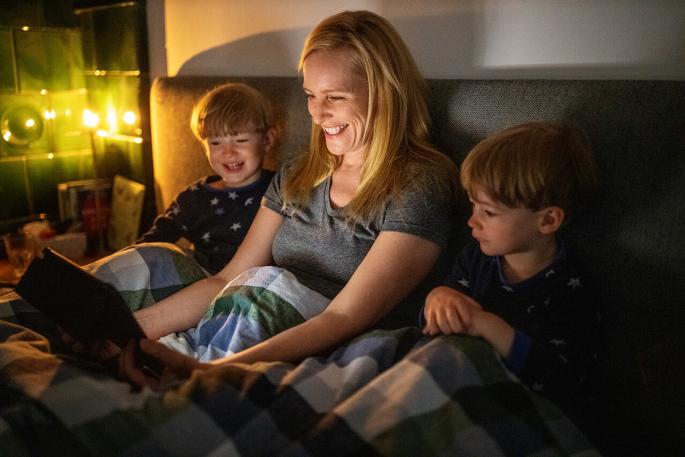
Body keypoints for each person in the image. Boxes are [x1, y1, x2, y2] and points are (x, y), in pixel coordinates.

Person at [119, 10, 459, 387]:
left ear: (386, 92)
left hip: (323, 342)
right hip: (247, 315)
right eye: (311, 96)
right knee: (147, 261)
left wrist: (211, 372)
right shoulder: (299, 172)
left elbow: (343, 318)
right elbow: (227, 279)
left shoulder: (420, 183)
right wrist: (125, 334)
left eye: (335, 97)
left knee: (261, 293)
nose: (317, 113)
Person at [422, 121, 600, 422]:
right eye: (473, 206)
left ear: (547, 221)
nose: (472, 222)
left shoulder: (571, 289)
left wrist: (485, 325)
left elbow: (564, 378)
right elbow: (442, 307)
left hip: (512, 408)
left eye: (488, 212)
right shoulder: (477, 256)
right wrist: (438, 298)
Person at [137, 82, 277, 274]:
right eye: (216, 142)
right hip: (203, 283)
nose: (228, 152)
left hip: (260, 285)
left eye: (241, 140)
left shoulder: (280, 188)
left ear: (267, 140)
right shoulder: (194, 198)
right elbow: (150, 244)